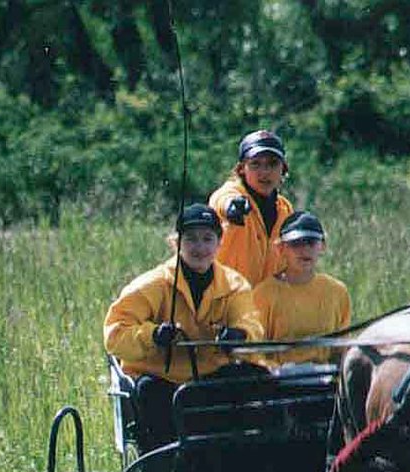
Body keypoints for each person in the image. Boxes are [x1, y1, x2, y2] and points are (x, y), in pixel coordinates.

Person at [104, 203, 264, 448]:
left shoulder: (235, 285)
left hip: (208, 379)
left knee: (253, 380)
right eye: (190, 239)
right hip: (161, 380)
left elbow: (252, 326)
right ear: (175, 242)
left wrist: (239, 335)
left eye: (207, 239)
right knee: (150, 392)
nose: (199, 248)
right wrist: (153, 336)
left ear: (220, 242)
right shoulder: (153, 284)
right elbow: (115, 334)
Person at [252, 211, 351, 366]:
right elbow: (254, 352)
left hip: (326, 380)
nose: (305, 250)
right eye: (296, 243)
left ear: (323, 246)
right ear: (281, 248)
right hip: (279, 381)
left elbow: (341, 349)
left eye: (311, 243)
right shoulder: (263, 294)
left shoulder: (337, 291)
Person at [209, 129, 294, 287]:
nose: (265, 172)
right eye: (255, 164)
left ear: (283, 168)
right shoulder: (232, 194)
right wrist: (232, 208)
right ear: (242, 169)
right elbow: (222, 201)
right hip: (226, 299)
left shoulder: (285, 208)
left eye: (272, 164)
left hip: (264, 305)